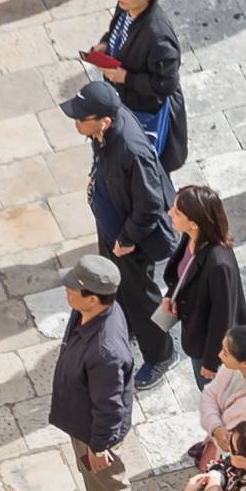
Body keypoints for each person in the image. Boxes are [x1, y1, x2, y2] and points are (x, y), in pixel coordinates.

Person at [60, 76, 177, 382]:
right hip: (112, 225)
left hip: (131, 238)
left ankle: (162, 352)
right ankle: (126, 327)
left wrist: (127, 238)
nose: (75, 122)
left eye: (80, 118)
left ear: (105, 121)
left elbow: (150, 202)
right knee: (114, 283)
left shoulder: (131, 149)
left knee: (144, 297)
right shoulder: (104, 133)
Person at [50, 254, 139, 491]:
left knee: (109, 484)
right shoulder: (89, 313)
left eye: (73, 288)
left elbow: (110, 405)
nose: (67, 291)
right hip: (81, 418)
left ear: (93, 298)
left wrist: (99, 447)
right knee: (94, 480)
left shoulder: (105, 351)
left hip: (95, 431)